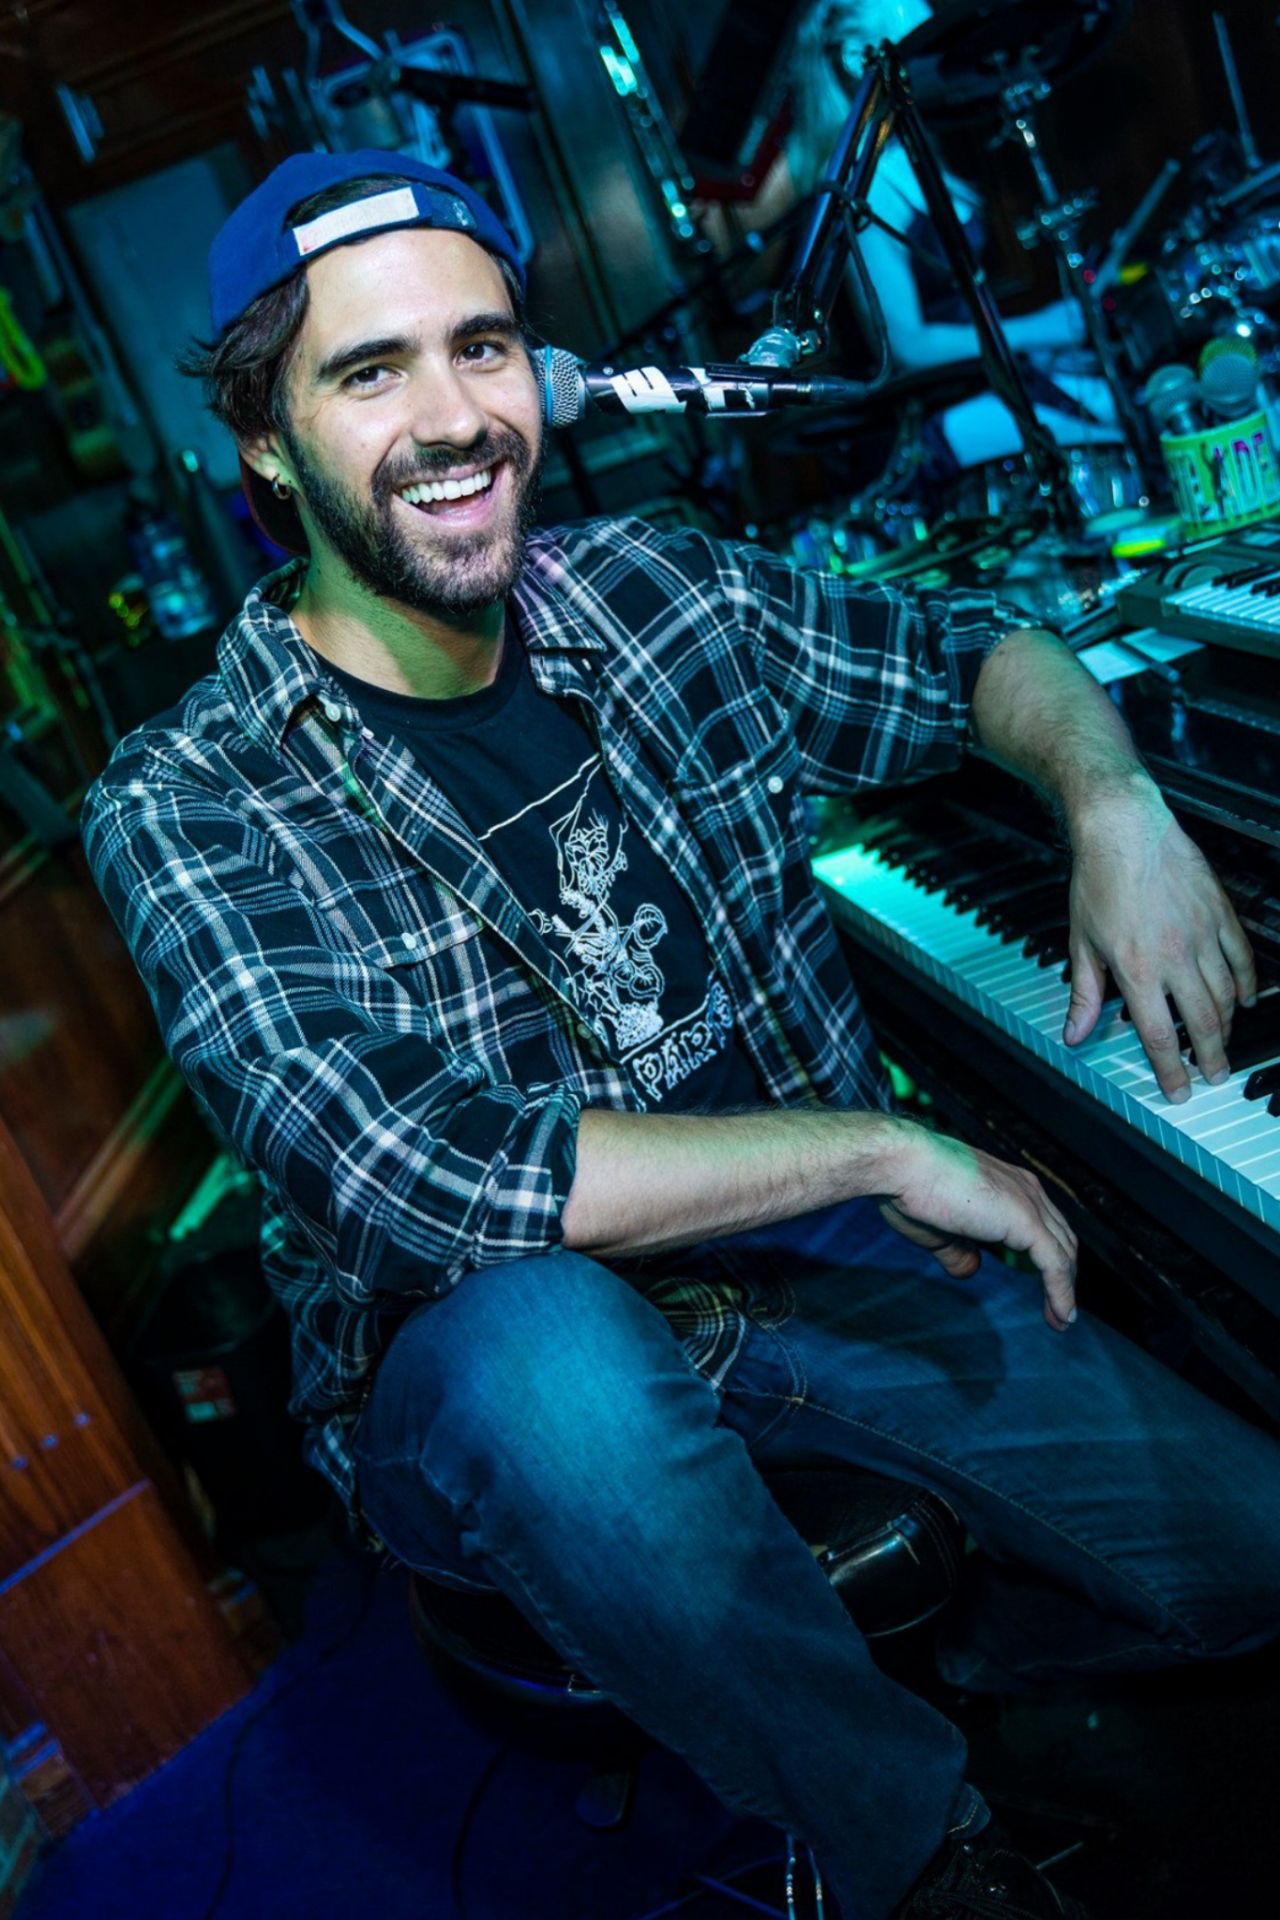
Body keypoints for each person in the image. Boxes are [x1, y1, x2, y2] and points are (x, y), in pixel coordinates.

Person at [82, 150, 1280, 1920]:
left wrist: (1110, 802)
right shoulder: (187, 799)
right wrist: (890, 1143)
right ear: (264, 440)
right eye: (371, 370)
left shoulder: (659, 593)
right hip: (501, 1356)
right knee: (541, 1356)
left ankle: (828, 1673)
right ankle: (924, 1856)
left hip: (824, 1271)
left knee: (1252, 1560)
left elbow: (973, 653)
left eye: (483, 349)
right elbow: (420, 1173)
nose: (454, 417)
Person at [788, 0, 1124, 473]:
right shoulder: (868, 184)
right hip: (938, 410)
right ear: (853, 56)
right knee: (1120, 429)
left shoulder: (908, 154)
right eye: (918, 37)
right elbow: (909, 345)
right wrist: (1039, 330)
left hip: (986, 378)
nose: (934, 53)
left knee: (1134, 399)